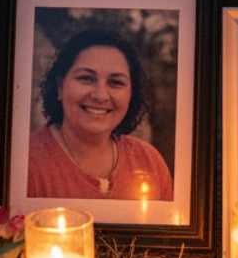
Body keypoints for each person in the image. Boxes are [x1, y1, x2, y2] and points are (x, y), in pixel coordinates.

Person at [27, 27, 174, 201]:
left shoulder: (150, 162)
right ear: (60, 86)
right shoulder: (26, 162)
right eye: (86, 78)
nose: (100, 96)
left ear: (131, 94)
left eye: (116, 82)